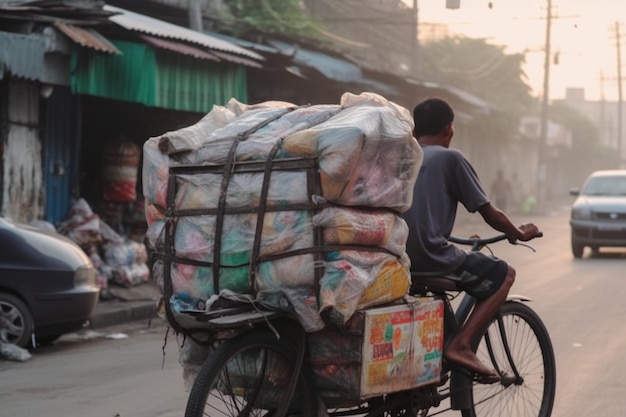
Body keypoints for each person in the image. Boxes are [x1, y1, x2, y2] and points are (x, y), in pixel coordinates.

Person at [401, 98, 541, 383]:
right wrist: (519, 232)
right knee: (504, 273)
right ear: (449, 130)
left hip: (395, 259)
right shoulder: (450, 158)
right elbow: (489, 213)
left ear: (414, 131)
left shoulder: (401, 157)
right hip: (431, 257)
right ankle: (461, 345)